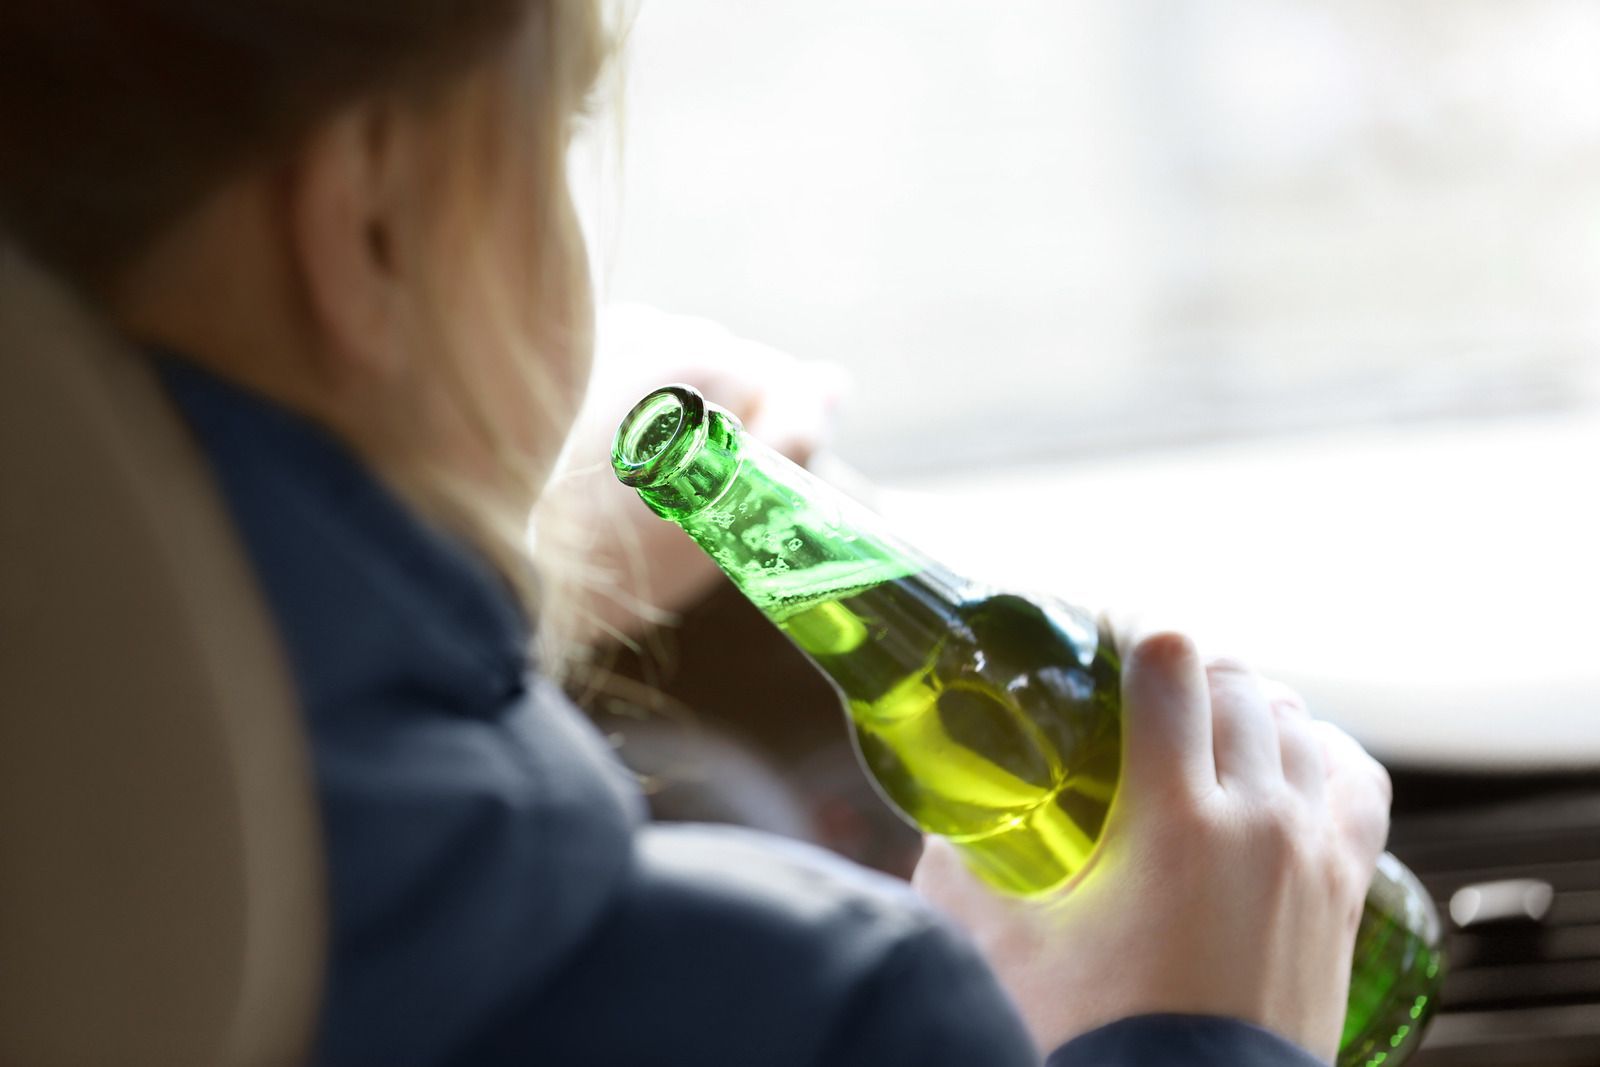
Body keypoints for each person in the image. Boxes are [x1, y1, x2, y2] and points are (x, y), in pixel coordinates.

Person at [0, 3, 1393, 1065]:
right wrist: (1194, 1034)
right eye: (555, 139)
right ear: (368, 222)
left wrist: (502, 558)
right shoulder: (818, 1009)